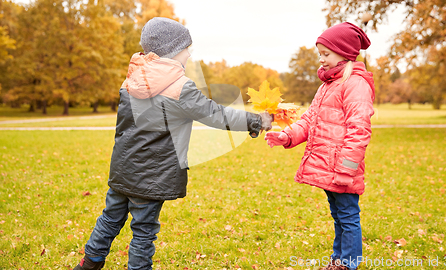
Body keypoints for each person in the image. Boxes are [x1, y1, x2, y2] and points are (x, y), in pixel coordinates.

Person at [73, 17, 272, 270]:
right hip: (151, 178)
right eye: (186, 48)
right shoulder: (180, 88)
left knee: (110, 218)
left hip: (123, 171)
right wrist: (256, 120)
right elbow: (217, 115)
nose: (189, 54)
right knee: (143, 232)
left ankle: (88, 264)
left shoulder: (131, 80)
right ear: (174, 51)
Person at [265, 22, 374, 270]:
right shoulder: (328, 85)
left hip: (342, 167)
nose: (321, 60)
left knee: (347, 216)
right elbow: (309, 120)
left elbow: (359, 130)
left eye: (326, 54)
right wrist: (287, 136)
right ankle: (339, 260)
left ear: (344, 53)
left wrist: (347, 169)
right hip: (329, 166)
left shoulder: (355, 84)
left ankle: (348, 264)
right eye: (320, 54)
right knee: (338, 215)